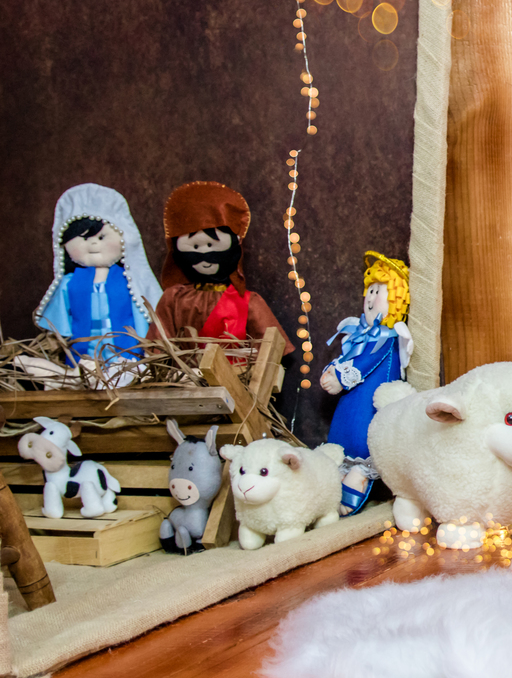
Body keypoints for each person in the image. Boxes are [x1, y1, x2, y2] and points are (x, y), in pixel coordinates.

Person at [146, 181, 294, 353]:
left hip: (234, 369)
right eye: (195, 247)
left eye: (212, 245)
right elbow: (159, 347)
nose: (204, 254)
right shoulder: (174, 300)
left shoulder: (247, 303)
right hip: (185, 369)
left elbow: (271, 350)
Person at [321, 251, 414, 515]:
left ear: (396, 299)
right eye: (370, 291)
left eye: (378, 292)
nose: (371, 298)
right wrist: (331, 370)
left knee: (362, 443)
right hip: (350, 406)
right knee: (342, 441)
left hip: (368, 408)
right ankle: (333, 485)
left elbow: (365, 362)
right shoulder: (360, 335)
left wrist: (340, 378)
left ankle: (357, 480)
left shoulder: (387, 337)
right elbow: (348, 358)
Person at [33, 184, 162, 366]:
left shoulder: (129, 281)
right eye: (85, 238)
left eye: (101, 237)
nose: (93, 244)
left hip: (126, 351)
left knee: (125, 366)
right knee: (84, 367)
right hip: (83, 351)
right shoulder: (70, 282)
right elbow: (61, 316)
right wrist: (59, 335)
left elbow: (139, 312)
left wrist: (146, 339)